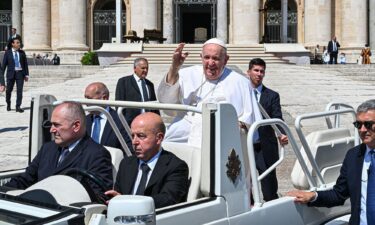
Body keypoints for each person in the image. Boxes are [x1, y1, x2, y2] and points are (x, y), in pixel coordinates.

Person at [157, 38, 261, 145]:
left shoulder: (241, 82)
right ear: (201, 57)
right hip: (188, 123)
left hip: (224, 129)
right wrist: (174, 67)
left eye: (215, 58)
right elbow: (166, 100)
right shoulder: (187, 74)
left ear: (225, 60)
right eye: (207, 57)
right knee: (164, 143)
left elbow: (249, 119)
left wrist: (239, 124)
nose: (210, 63)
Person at [287, 99, 375, 225]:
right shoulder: (353, 156)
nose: (362, 130)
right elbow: (339, 194)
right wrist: (313, 196)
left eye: (368, 124)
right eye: (358, 125)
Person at [3, 102, 113, 193]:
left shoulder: (97, 155)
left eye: (57, 125)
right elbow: (25, 180)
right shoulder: (48, 148)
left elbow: (96, 197)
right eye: (51, 124)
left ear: (76, 126)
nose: (51, 130)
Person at [105, 112, 189, 208]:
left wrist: (128, 203)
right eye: (133, 136)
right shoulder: (126, 163)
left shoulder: (175, 167)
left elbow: (168, 200)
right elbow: (118, 195)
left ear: (159, 138)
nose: (134, 142)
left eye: (141, 136)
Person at [247, 58, 288, 201]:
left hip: (265, 146)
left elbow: (277, 118)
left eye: (262, 71)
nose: (259, 74)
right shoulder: (242, 93)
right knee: (246, 185)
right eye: (256, 70)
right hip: (245, 146)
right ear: (249, 72)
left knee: (269, 186)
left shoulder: (272, 95)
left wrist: (282, 134)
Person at [84, 82, 133, 154]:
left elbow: (129, 150)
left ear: (104, 98)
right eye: (85, 98)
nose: (86, 102)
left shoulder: (120, 121)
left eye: (89, 98)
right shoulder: (84, 120)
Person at [115, 57, 159, 126]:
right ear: (135, 68)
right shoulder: (124, 82)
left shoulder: (150, 84)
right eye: (143, 68)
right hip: (130, 123)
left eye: (147, 68)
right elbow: (118, 104)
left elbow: (155, 106)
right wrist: (123, 123)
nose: (145, 70)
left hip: (148, 123)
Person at [2, 37, 29, 112]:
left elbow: (25, 64)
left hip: (20, 74)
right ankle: (8, 103)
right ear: (13, 44)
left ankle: (18, 106)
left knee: (19, 91)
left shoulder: (22, 53)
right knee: (8, 91)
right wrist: (1, 77)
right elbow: (4, 65)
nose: (19, 44)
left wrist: (26, 75)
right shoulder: (7, 53)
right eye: (17, 42)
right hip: (11, 74)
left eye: (19, 42)